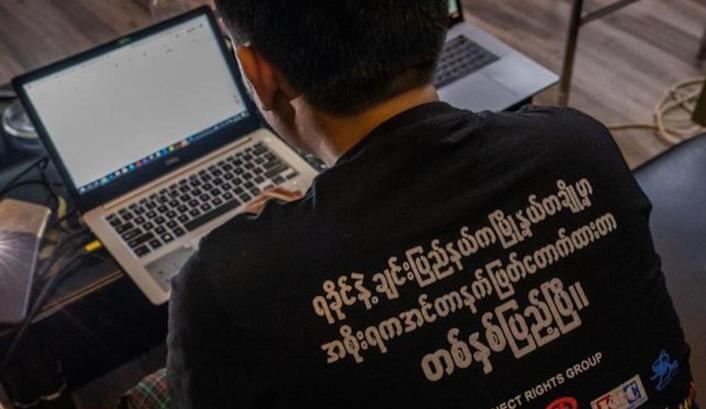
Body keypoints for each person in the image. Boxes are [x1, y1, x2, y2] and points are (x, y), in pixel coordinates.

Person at [167, 1, 696, 408]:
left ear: (259, 73)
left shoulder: (226, 282)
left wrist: (258, 256)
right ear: (440, 18)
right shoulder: (580, 146)